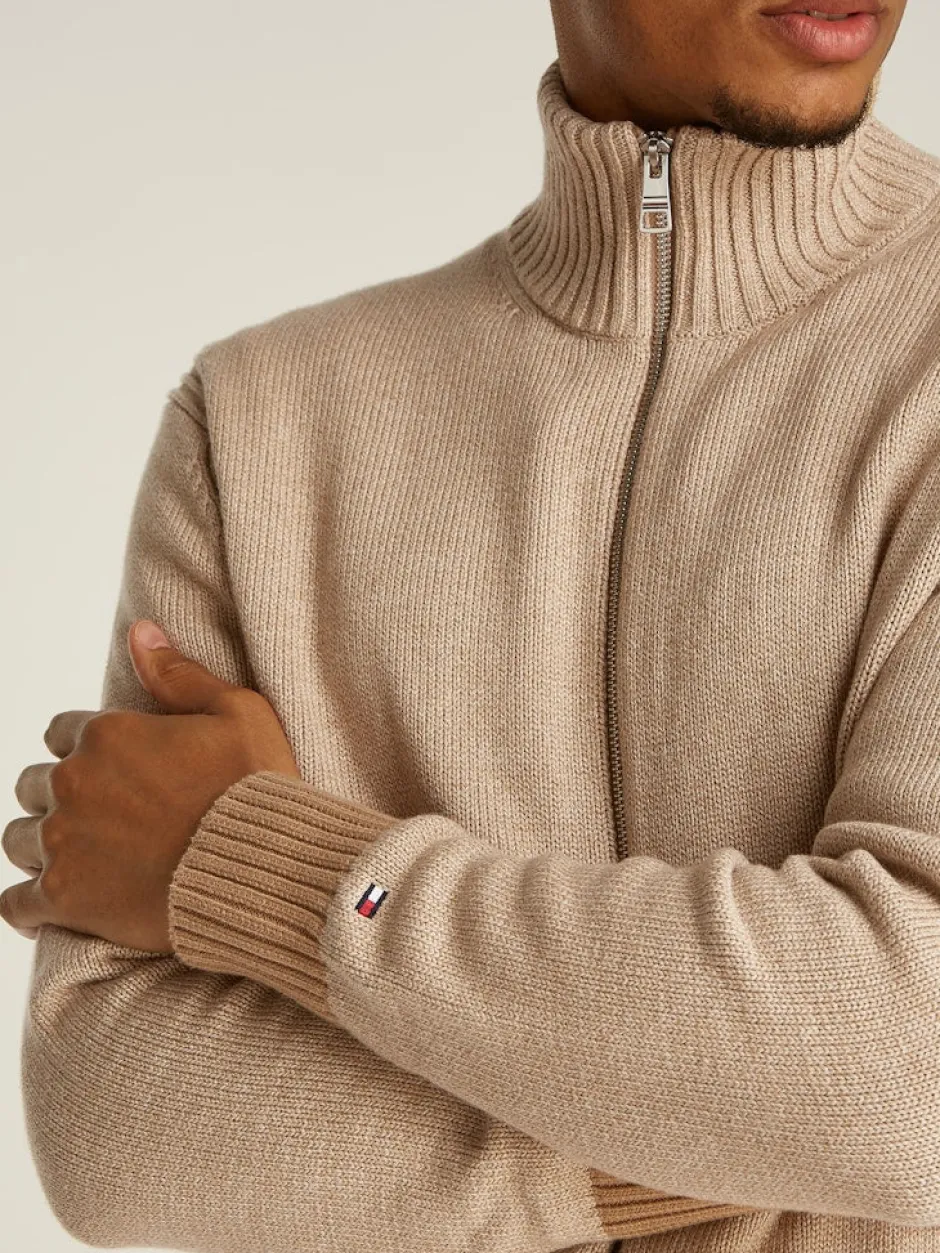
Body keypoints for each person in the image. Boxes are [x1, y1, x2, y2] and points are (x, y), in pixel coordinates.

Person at [6, 2, 940, 1251]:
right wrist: (768, 1132)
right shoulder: (261, 424)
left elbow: (911, 1063)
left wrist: (268, 869)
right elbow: (117, 1132)